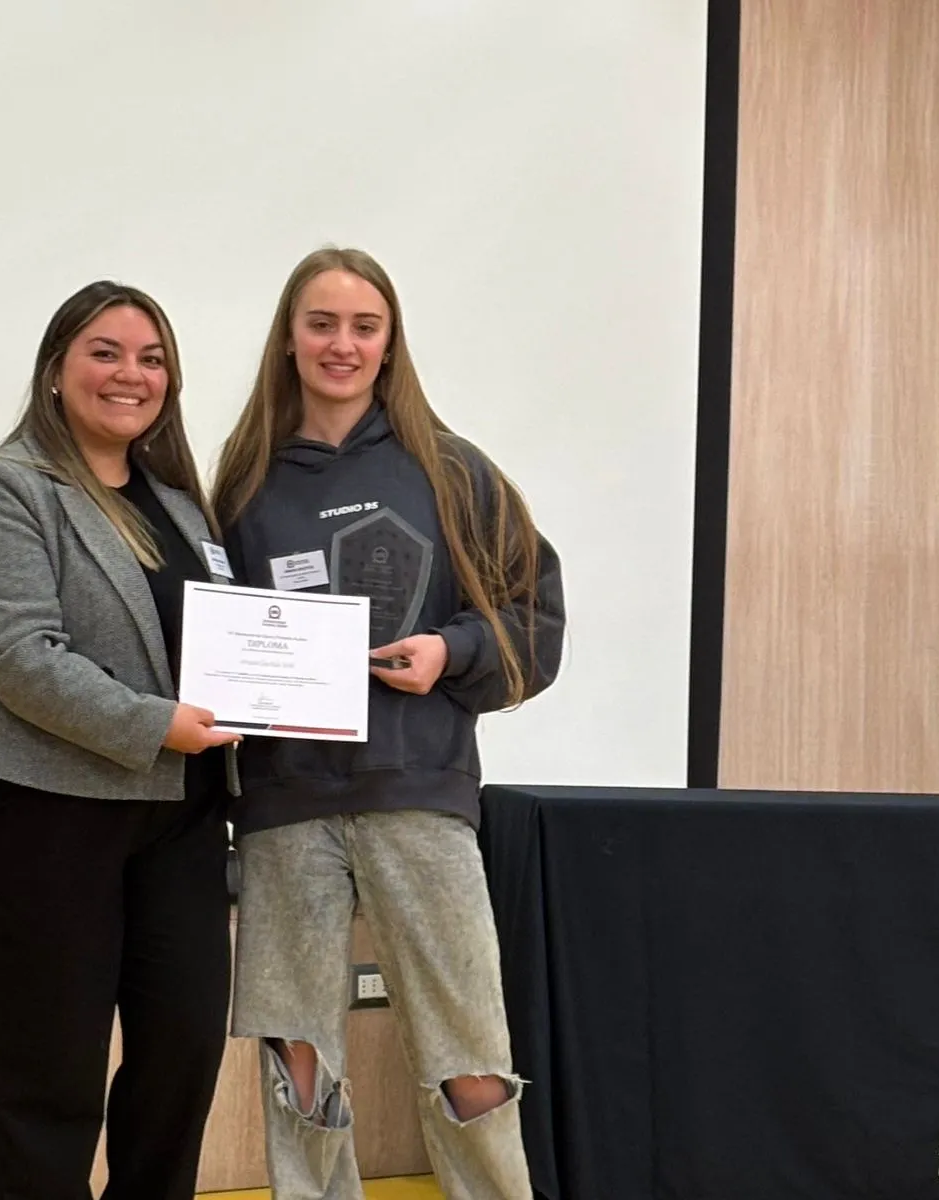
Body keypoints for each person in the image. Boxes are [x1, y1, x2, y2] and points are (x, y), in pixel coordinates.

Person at [209, 247, 565, 1200]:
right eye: (322, 324)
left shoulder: (451, 471)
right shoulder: (241, 483)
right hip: (284, 808)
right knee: (300, 1058)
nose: (342, 344)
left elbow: (536, 617)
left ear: (390, 342)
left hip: (420, 797)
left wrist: (452, 653)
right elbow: (213, 642)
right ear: (289, 339)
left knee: (469, 1053)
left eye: (364, 327)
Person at [0, 281, 241, 1200]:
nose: (130, 375)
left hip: (179, 820)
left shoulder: (182, 504)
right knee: (48, 1077)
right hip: (43, 818)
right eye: (106, 352)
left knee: (181, 1058)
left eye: (152, 359)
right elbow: (20, 659)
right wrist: (159, 725)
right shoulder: (2, 488)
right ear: (57, 370)